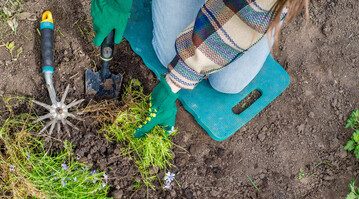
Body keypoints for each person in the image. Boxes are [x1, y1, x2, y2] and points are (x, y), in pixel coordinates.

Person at [90, 0, 309, 138]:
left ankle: (257, 24)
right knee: (171, 54)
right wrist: (116, 3)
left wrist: (173, 84)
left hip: (256, 6)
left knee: (228, 83)